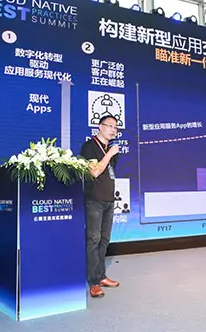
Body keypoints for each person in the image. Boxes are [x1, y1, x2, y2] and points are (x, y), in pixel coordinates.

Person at [80, 115, 121, 298]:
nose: (113, 130)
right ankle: (93, 282)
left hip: (109, 199)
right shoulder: (89, 146)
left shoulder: (109, 148)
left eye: (116, 127)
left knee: (104, 240)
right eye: (110, 126)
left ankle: (101, 276)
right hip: (94, 200)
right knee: (93, 240)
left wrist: (110, 152)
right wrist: (110, 154)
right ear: (100, 127)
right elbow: (95, 171)